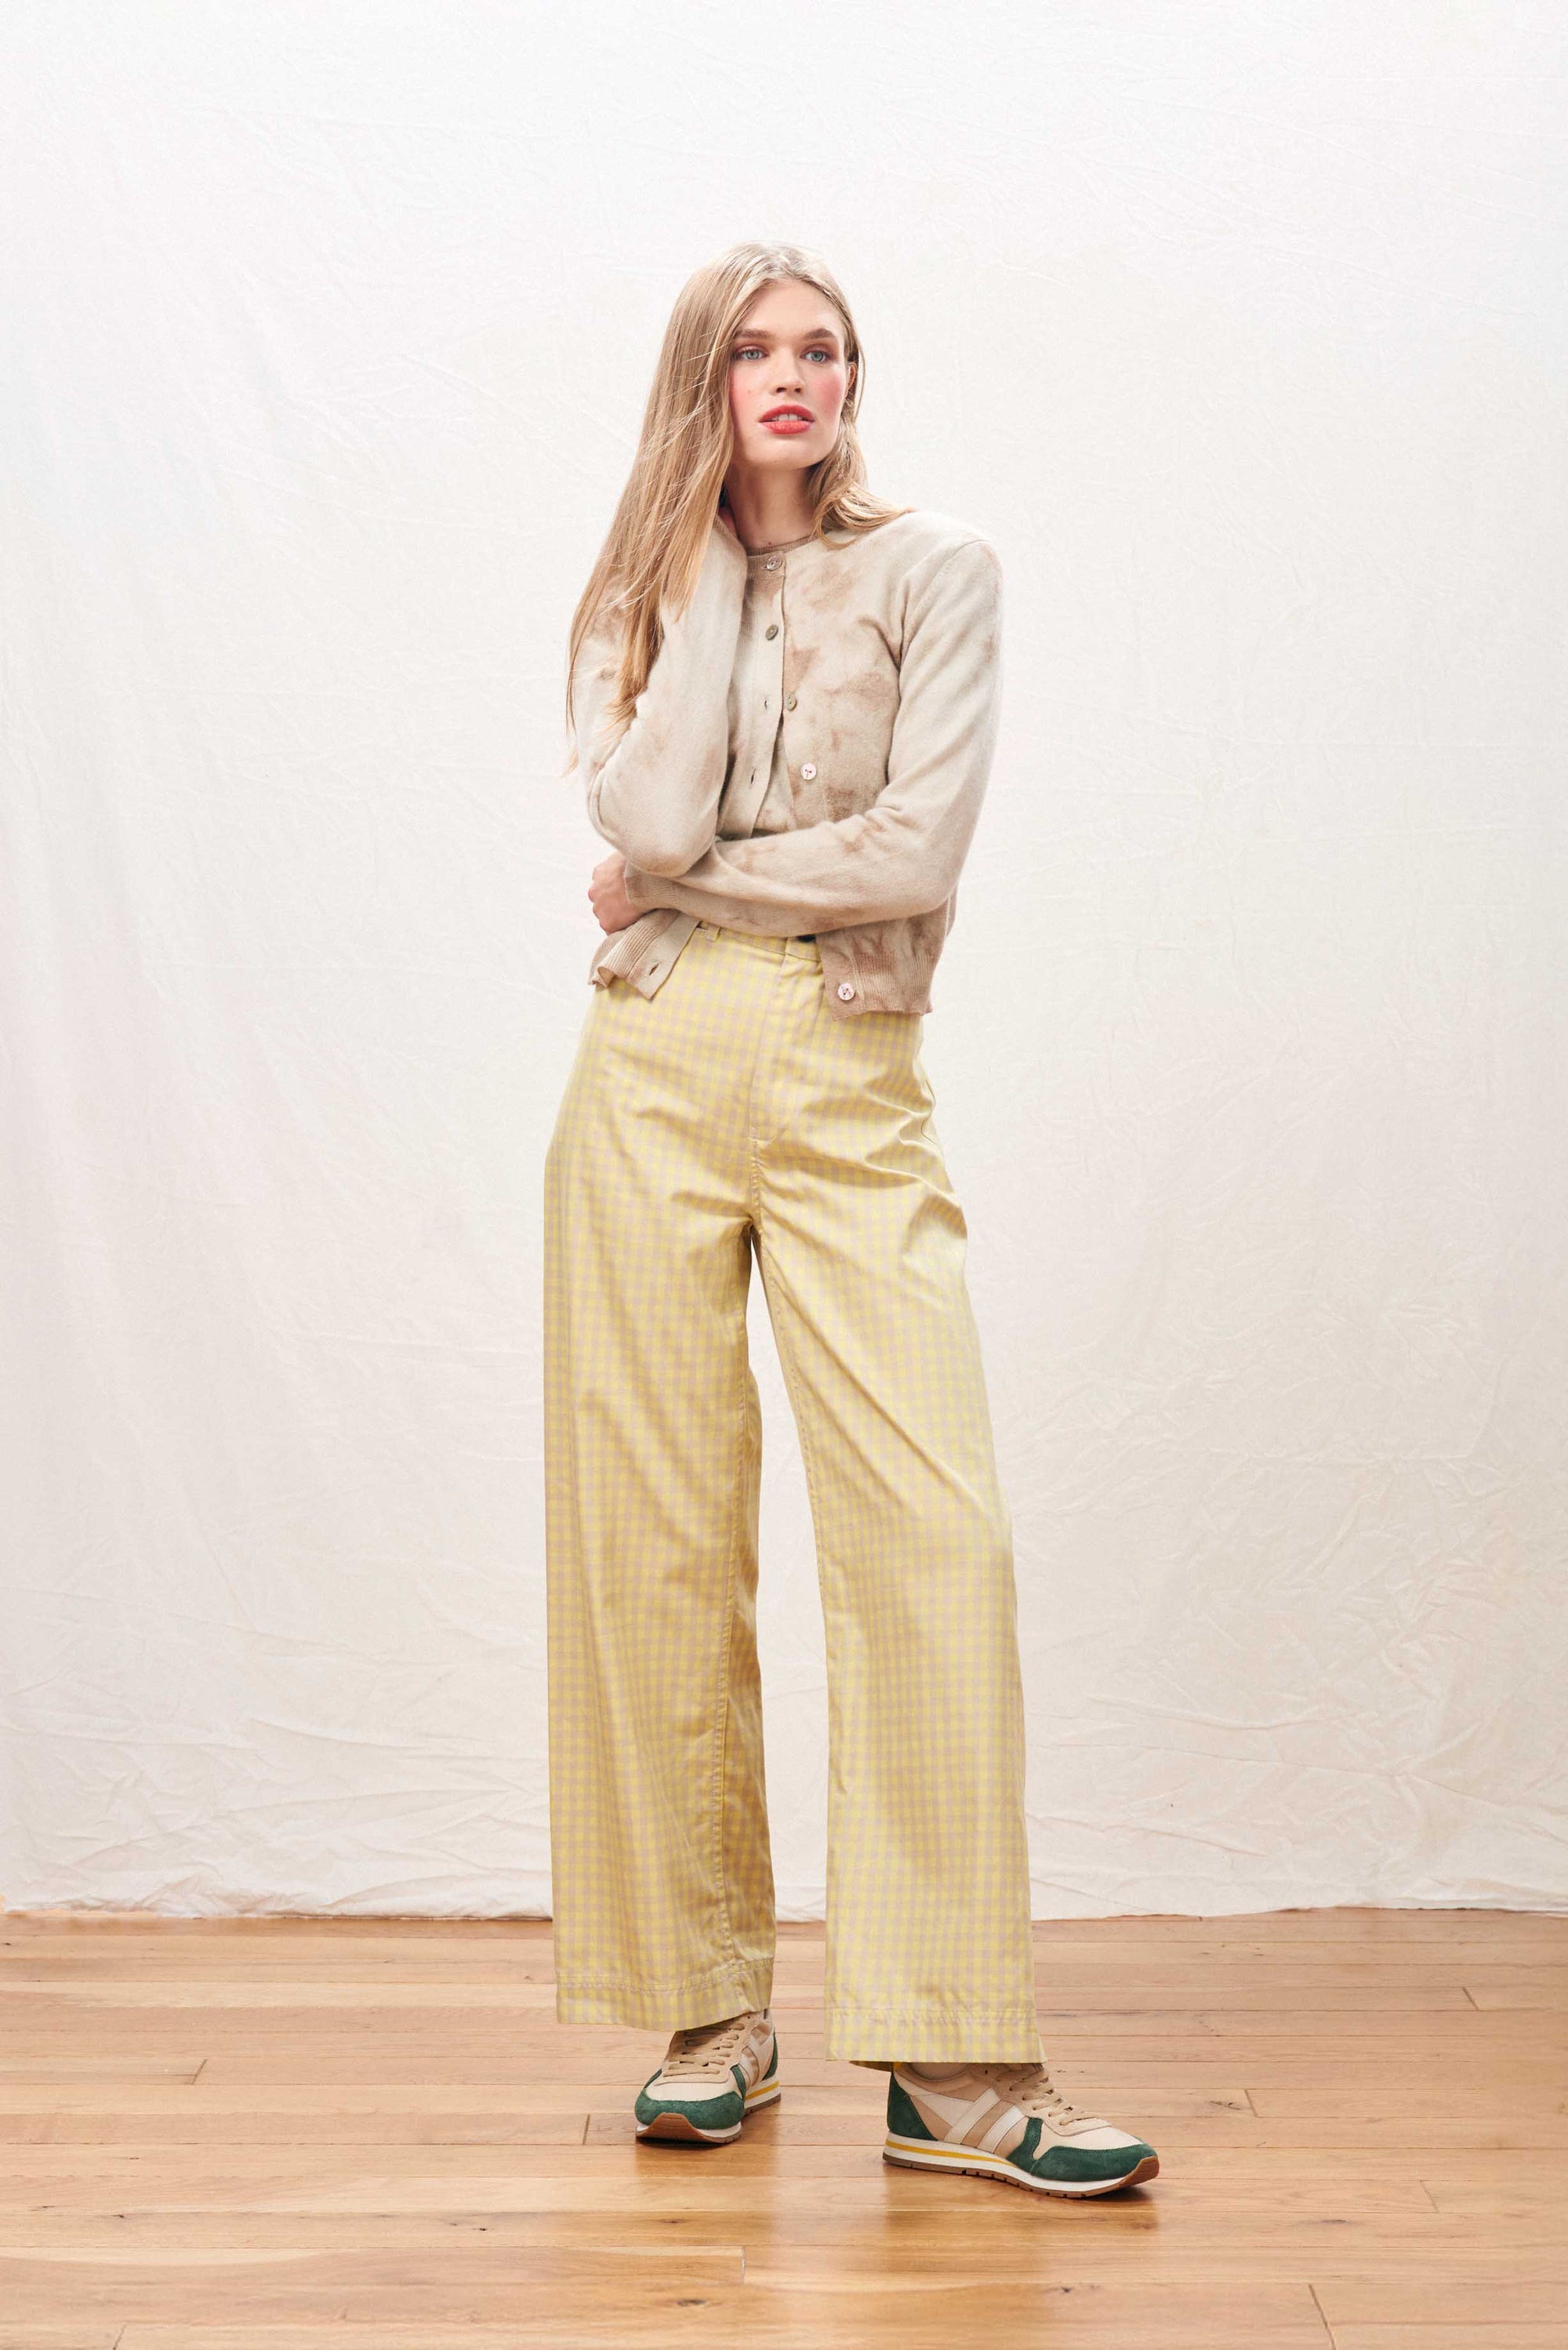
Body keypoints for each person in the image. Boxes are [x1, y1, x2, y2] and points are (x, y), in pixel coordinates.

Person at [543, 242, 1159, 2199]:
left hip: (845, 1058)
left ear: (853, 377)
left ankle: (957, 2062)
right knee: (653, 1534)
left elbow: (911, 847)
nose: (793, 377)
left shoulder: (936, 569)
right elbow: (638, 821)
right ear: (704, 381)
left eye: (822, 349)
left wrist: (682, 891)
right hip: (643, 1074)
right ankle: (706, 2013)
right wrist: (717, 568)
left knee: (930, 1535)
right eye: (755, 353)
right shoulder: (645, 584)